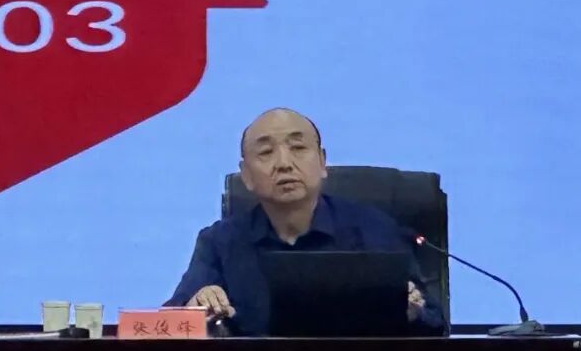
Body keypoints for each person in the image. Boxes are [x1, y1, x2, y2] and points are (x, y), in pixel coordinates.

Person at [166, 107, 447, 336]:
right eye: (266, 153)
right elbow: (168, 324)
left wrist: (411, 312)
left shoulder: (375, 229)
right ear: (246, 175)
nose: (284, 163)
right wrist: (195, 308)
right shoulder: (220, 242)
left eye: (298, 147)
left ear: (322, 162)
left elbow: (435, 324)